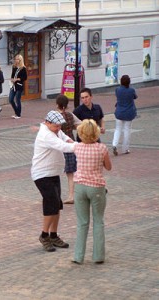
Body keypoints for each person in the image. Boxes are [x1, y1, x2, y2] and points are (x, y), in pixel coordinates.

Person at [31, 110, 76, 252]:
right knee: (51, 204)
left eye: (60, 126)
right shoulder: (46, 135)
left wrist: (70, 140)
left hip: (54, 173)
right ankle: (44, 235)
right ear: (47, 123)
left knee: (57, 204)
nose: (59, 129)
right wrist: (82, 146)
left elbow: (64, 137)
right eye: (56, 126)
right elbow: (62, 146)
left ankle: (54, 235)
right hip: (42, 174)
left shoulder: (55, 131)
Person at [73, 119, 112, 265]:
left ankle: (78, 256)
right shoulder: (102, 148)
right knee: (98, 220)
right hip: (96, 186)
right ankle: (98, 256)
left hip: (80, 187)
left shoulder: (77, 147)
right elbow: (108, 167)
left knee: (82, 222)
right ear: (95, 132)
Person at [56, 95, 82, 204]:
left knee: (54, 173)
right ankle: (71, 195)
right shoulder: (70, 115)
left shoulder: (56, 117)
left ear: (57, 104)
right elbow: (80, 124)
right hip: (71, 145)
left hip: (59, 146)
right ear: (66, 105)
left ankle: (55, 196)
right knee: (70, 173)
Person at [112, 75, 137, 155]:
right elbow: (135, 97)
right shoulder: (131, 90)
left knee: (118, 129)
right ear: (129, 82)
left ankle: (114, 144)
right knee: (127, 130)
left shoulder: (117, 90)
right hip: (129, 113)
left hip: (119, 112)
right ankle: (125, 149)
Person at [9, 54, 27, 119]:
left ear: (20, 60)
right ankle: (17, 112)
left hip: (19, 85)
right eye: (15, 59)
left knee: (17, 99)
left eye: (17, 59)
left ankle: (18, 114)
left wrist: (17, 79)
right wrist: (11, 79)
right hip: (13, 85)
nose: (16, 60)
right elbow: (12, 75)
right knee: (10, 99)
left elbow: (24, 78)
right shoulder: (14, 67)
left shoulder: (23, 68)